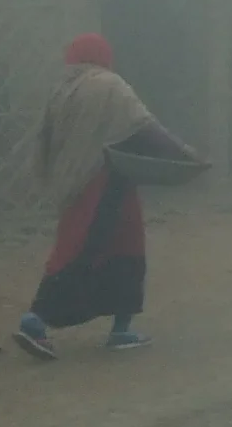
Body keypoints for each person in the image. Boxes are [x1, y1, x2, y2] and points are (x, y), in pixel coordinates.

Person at [14, 34, 195, 360]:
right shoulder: (110, 85)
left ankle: (121, 329)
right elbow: (144, 126)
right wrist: (184, 154)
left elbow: (45, 141)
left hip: (76, 180)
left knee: (125, 246)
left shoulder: (63, 90)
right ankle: (35, 321)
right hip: (102, 178)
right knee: (81, 249)